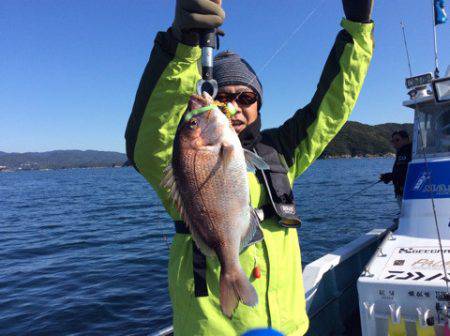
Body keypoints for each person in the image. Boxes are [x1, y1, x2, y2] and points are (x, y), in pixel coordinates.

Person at [125, 0, 374, 334]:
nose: (234, 106)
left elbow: (332, 107)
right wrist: (183, 44)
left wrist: (358, 26)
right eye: (223, 96)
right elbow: (150, 136)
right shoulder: (182, 155)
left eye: (246, 98)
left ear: (258, 105)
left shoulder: (278, 153)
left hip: (288, 326)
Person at [380, 130, 413, 208]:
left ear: (406, 139)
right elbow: (400, 171)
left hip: (407, 193)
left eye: (397, 140)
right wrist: (389, 177)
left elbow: (406, 172)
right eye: (392, 141)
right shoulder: (400, 152)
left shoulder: (408, 152)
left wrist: (390, 176)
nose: (394, 143)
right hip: (400, 192)